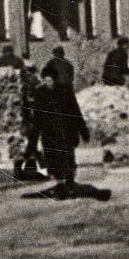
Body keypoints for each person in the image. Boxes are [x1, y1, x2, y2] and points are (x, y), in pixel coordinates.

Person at [37, 68, 90, 197]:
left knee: (68, 157)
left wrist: (83, 131)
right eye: (44, 80)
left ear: (54, 79)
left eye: (49, 79)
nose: (46, 82)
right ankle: (60, 185)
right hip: (49, 133)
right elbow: (37, 116)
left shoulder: (65, 91)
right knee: (53, 159)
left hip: (65, 130)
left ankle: (70, 182)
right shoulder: (39, 93)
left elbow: (75, 110)